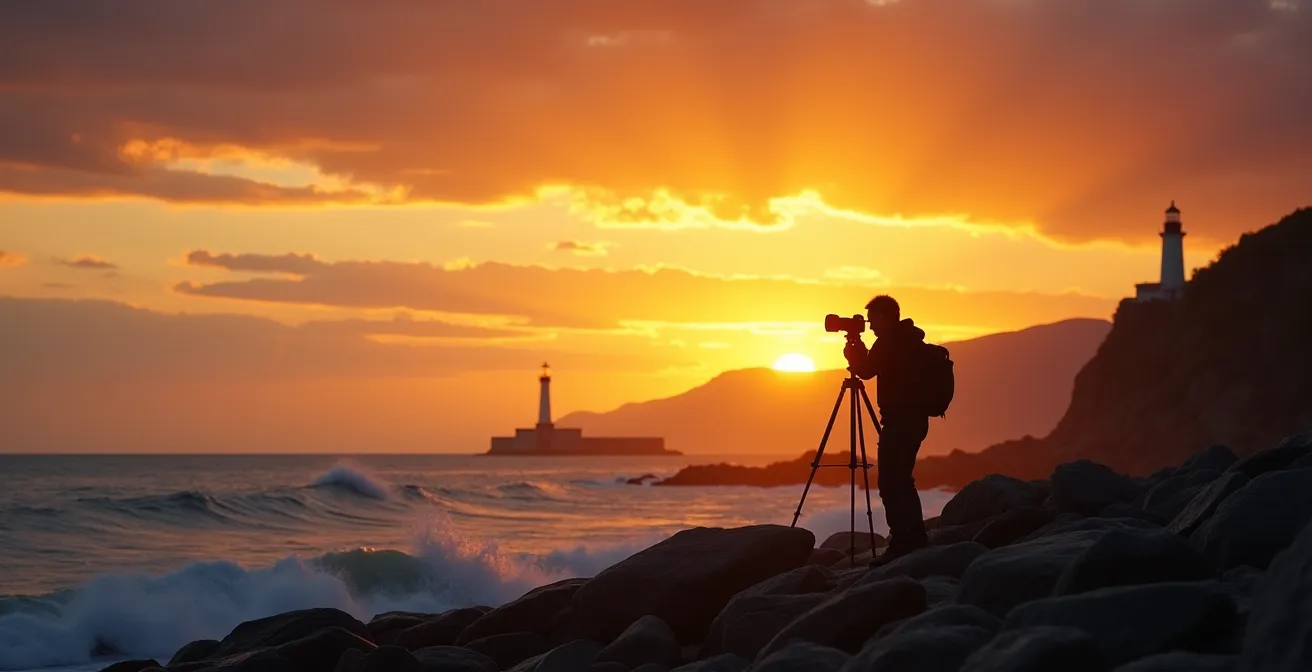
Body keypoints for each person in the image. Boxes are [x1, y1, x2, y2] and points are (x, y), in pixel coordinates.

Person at [843, 294, 930, 564]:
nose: (870, 327)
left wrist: (853, 352)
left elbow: (866, 370)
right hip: (916, 420)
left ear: (885, 316)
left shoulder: (890, 342)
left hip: (899, 421)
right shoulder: (911, 338)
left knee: (890, 483)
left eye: (872, 321)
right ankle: (916, 538)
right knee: (904, 480)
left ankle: (902, 544)